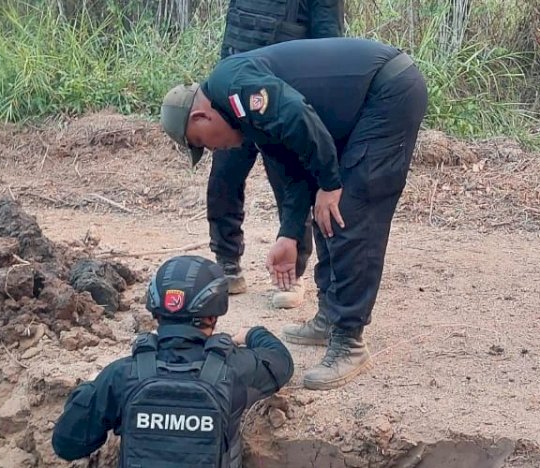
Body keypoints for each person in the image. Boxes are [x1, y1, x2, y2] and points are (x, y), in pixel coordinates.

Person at [159, 37, 428, 390]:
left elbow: (298, 114)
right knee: (324, 208)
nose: (212, 149)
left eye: (201, 142)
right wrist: (288, 234)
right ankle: (331, 316)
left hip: (387, 92)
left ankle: (349, 341)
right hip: (357, 109)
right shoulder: (247, 119)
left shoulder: (236, 86)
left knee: (349, 209)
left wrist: (331, 184)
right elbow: (294, 170)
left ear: (201, 115)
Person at [51, 255, 294, 466]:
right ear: (214, 314)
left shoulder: (122, 375)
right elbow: (282, 362)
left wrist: (92, 386)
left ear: (155, 312)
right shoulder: (233, 370)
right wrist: (252, 334)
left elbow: (66, 445)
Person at [209, 0, 344, 309]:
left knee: (291, 182)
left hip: (284, 95)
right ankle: (227, 260)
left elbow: (328, 39)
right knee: (224, 177)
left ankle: (292, 273)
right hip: (234, 89)